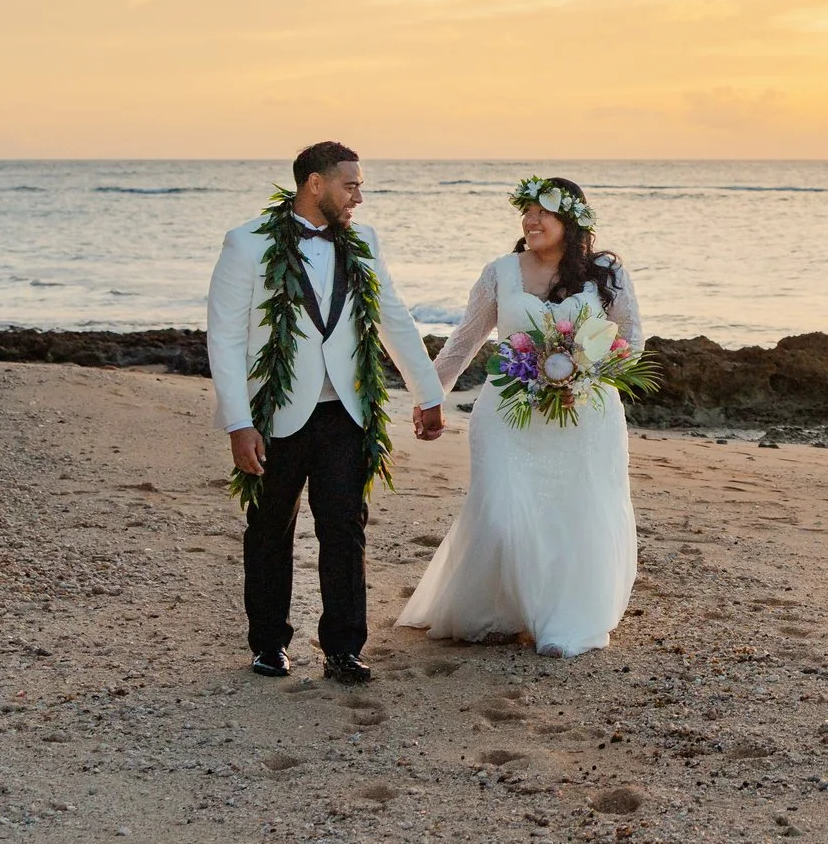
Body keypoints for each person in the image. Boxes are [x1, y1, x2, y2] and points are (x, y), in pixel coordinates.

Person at [206, 141, 445, 684]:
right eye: (350, 184)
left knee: (345, 529)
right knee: (269, 530)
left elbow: (394, 317)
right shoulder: (247, 244)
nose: (359, 195)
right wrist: (238, 423)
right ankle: (269, 644)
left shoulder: (364, 240)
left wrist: (426, 392)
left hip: (346, 409)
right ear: (315, 184)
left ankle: (344, 648)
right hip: (275, 414)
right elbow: (222, 337)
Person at [397, 175, 644, 656]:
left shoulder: (605, 272)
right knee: (502, 510)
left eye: (542, 212)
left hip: (584, 417)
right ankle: (505, 609)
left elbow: (631, 341)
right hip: (509, 412)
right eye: (525, 213)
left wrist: (586, 376)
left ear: (571, 221)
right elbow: (465, 340)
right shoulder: (501, 272)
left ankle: (560, 617)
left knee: (577, 511)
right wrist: (430, 396)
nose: (531, 221)